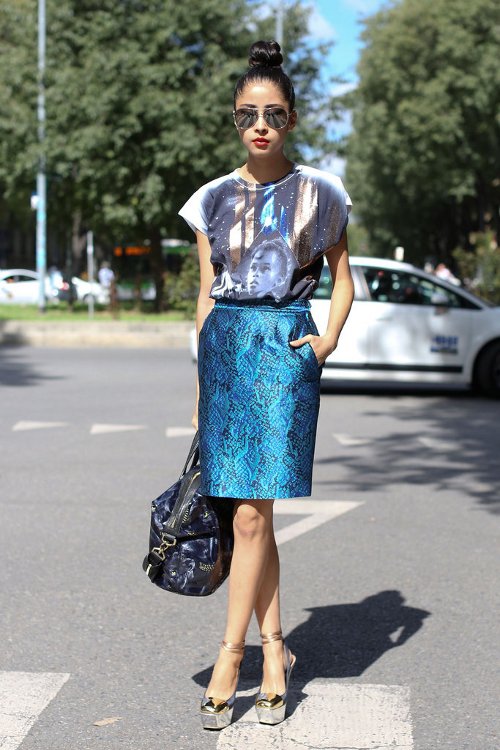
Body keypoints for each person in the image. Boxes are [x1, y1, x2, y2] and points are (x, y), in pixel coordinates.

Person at [178, 40, 354, 730]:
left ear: (291, 120)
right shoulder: (210, 200)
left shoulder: (321, 194)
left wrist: (328, 341)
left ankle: (231, 657)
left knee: (252, 514)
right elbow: (203, 295)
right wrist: (199, 380)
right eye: (249, 113)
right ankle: (275, 653)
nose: (261, 124)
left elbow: (344, 280)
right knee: (252, 516)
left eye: (273, 113)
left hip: (283, 353)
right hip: (225, 351)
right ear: (234, 118)